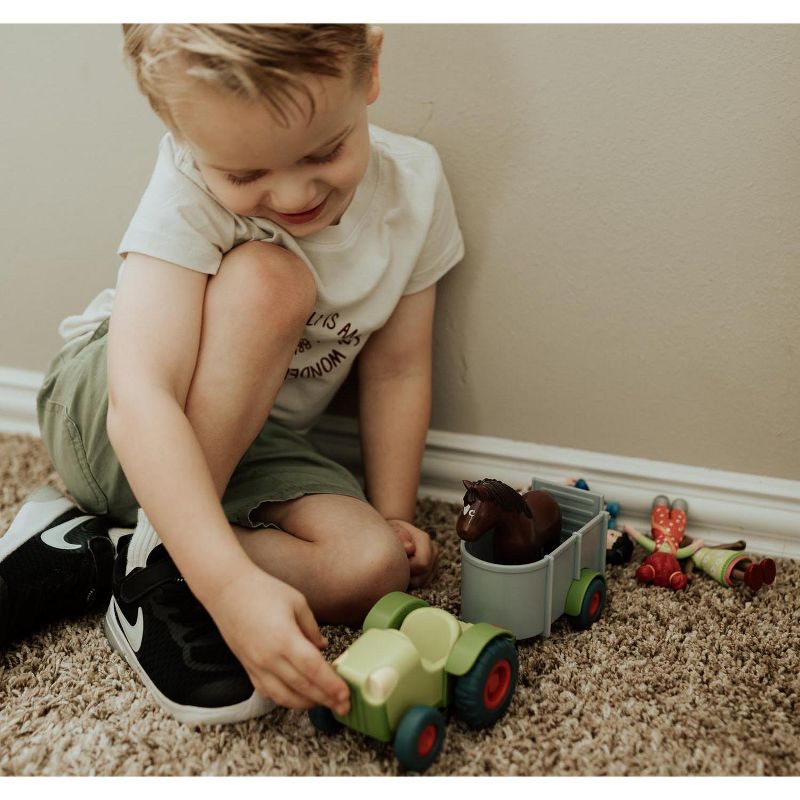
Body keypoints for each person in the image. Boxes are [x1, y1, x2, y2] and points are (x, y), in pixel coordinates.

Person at [0, 24, 464, 725]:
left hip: (249, 446)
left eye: (325, 151)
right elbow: (141, 397)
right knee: (273, 282)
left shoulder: (416, 189)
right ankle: (163, 570)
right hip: (108, 412)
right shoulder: (184, 185)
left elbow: (397, 370)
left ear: (369, 66)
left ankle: (103, 550)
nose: (293, 193)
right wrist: (226, 586)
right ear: (180, 131)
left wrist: (396, 512)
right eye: (244, 176)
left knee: (372, 567)